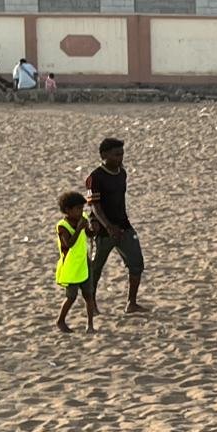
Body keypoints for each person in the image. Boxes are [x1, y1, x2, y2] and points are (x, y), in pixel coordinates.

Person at [86, 138, 146, 314]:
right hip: (103, 231)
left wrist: (119, 225)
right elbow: (94, 206)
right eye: (116, 154)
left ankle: (131, 303)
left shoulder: (122, 173)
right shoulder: (95, 177)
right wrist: (108, 226)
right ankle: (91, 305)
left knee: (136, 263)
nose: (120, 158)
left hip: (124, 226)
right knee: (95, 269)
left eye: (122, 154)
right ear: (104, 155)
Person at [55, 191, 96, 334]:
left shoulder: (82, 218)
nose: (81, 211)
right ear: (67, 210)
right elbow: (70, 243)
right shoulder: (62, 227)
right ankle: (60, 321)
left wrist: (93, 229)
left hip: (84, 264)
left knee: (88, 295)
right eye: (78, 209)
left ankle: (90, 325)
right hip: (71, 267)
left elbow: (88, 234)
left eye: (82, 208)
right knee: (71, 297)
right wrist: (78, 228)